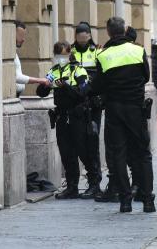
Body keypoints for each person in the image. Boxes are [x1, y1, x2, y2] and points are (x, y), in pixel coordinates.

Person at [90, 17, 155, 213]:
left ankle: (125, 200)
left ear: (109, 32)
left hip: (114, 111)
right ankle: (148, 200)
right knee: (143, 154)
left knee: (117, 154)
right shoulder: (138, 50)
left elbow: (98, 86)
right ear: (125, 30)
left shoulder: (103, 55)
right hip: (136, 109)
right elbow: (146, 76)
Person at [36, 41, 102, 199]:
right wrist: (46, 86)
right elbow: (41, 92)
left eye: (64, 55)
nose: (61, 58)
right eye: (58, 55)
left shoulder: (78, 70)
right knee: (66, 152)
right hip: (62, 117)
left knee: (84, 151)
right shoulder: (54, 71)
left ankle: (94, 185)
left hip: (78, 117)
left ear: (69, 54)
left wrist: (66, 87)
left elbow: (84, 92)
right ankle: (72, 186)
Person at [70, 21, 102, 198]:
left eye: (85, 38)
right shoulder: (71, 53)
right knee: (80, 145)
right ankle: (88, 181)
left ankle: (95, 183)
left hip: (92, 105)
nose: (82, 41)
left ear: (89, 36)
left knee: (92, 144)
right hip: (76, 104)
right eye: (79, 39)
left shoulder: (96, 51)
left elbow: (101, 76)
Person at [15, 20, 48, 97]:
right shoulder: (10, 54)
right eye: (20, 36)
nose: (23, 39)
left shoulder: (14, 53)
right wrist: (39, 80)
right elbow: (16, 77)